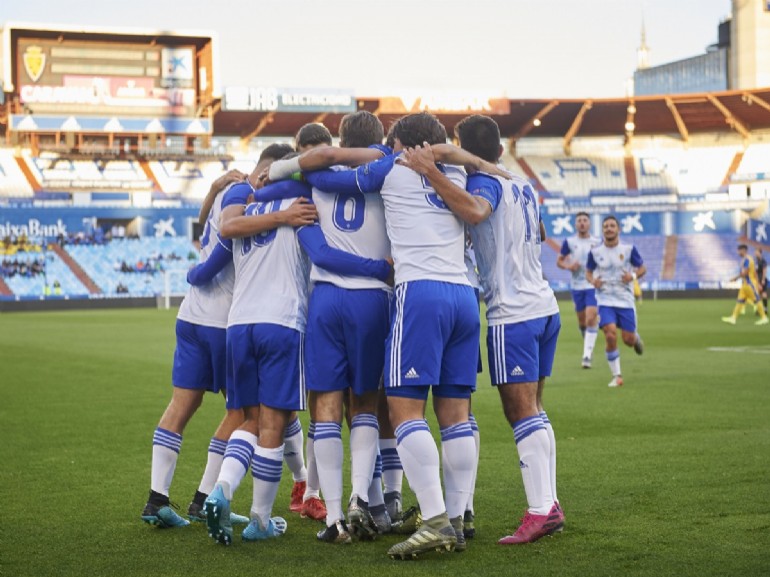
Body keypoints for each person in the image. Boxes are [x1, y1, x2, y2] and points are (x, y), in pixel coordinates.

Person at [301, 112, 478, 559]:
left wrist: (284, 170)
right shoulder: (458, 172)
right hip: (464, 296)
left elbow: (324, 172)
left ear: (400, 145)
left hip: (419, 293)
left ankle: (434, 521)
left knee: (401, 410)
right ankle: (457, 517)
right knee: (456, 415)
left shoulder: (391, 170)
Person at [202, 152, 393, 546]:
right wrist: (378, 268)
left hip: (239, 324)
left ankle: (220, 488)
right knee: (273, 425)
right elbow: (323, 254)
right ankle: (259, 519)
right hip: (281, 322)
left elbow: (218, 244)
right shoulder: (299, 206)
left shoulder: (245, 208)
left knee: (247, 419)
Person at [400, 114, 563, 545]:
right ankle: (549, 503)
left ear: (464, 149)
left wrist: (432, 172)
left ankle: (539, 510)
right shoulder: (520, 182)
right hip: (544, 304)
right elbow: (538, 231)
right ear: (501, 150)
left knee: (520, 412)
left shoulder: (484, 183)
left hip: (514, 312)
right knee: (536, 409)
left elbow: (474, 210)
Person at [140, 168, 249, 529]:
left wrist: (214, 186)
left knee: (181, 404)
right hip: (222, 322)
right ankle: (203, 500)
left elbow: (202, 224)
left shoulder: (223, 192)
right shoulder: (247, 198)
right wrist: (194, 272)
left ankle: (157, 500)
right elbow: (214, 260)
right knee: (242, 413)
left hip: (190, 317)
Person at [585, 216, 647, 387]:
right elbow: (588, 272)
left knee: (627, 339)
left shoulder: (628, 249)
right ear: (603, 230)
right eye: (605, 226)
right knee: (610, 333)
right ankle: (617, 376)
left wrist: (632, 276)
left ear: (618, 229)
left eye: (612, 226)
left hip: (625, 300)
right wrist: (593, 281)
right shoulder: (595, 253)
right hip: (604, 299)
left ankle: (635, 339)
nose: (609, 228)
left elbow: (642, 268)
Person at [556, 212, 601, 368]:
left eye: (585, 220)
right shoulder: (569, 242)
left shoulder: (597, 242)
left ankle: (586, 355)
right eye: (579, 221)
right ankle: (588, 340)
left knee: (590, 318)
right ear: (576, 224)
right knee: (583, 322)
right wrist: (569, 266)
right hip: (576, 286)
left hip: (592, 284)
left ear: (589, 224)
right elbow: (559, 261)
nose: (582, 223)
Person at [721, 244, 768, 326]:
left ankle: (764, 318)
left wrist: (735, 278)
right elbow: (754, 273)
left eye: (739, 250)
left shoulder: (748, 260)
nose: (738, 252)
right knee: (740, 301)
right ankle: (733, 318)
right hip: (745, 284)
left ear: (743, 250)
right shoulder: (745, 259)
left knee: (756, 300)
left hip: (750, 284)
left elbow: (745, 272)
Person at [755, 247, 767, 315]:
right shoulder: (756, 261)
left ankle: (764, 309)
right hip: (757, 279)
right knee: (758, 294)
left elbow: (764, 270)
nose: (755, 253)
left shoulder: (763, 261)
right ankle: (760, 309)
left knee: (763, 293)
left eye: (756, 252)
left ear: (760, 253)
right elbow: (755, 272)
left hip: (761, 279)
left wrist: (763, 279)